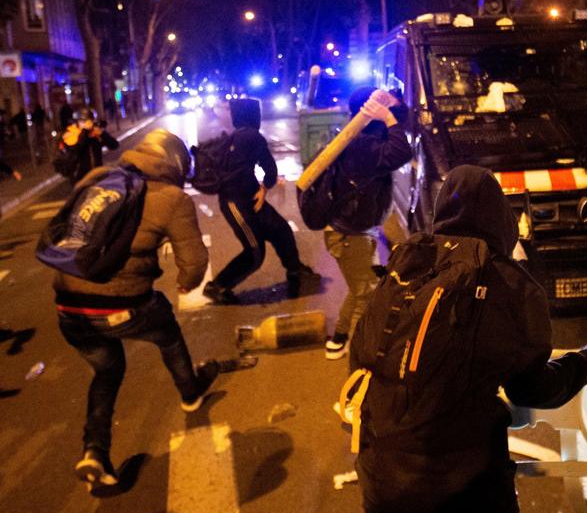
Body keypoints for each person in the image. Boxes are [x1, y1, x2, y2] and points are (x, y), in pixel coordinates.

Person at [354, 166, 587, 513]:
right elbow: (531, 389)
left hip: (382, 472)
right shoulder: (508, 282)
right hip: (464, 482)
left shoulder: (406, 262)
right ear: (501, 217)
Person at [50, 129, 219, 491]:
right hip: (120, 305)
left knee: (107, 372)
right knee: (166, 332)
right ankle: (190, 392)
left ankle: (95, 452)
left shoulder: (98, 177)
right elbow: (194, 260)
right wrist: (187, 283)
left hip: (68, 305)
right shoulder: (171, 198)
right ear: (175, 163)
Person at [307, 86, 412, 360]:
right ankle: (363, 359)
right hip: (349, 236)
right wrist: (388, 117)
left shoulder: (366, 137)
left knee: (359, 287)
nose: (394, 108)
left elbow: (405, 121)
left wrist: (389, 115)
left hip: (357, 232)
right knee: (368, 295)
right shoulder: (362, 143)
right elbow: (402, 152)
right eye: (386, 104)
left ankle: (338, 339)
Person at [202, 98, 315, 304]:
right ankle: (218, 286)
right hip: (236, 203)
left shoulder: (233, 137)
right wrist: (265, 187)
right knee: (255, 251)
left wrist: (261, 189)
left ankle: (295, 270)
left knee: (280, 229)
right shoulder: (254, 137)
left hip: (245, 197)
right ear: (254, 116)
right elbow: (270, 169)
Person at [55, 108, 120, 183]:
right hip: (80, 179)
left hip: (98, 175)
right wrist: (85, 133)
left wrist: (102, 134)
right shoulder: (71, 133)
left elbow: (114, 145)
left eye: (90, 120)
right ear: (77, 122)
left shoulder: (94, 134)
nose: (88, 123)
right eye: (83, 121)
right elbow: (76, 149)